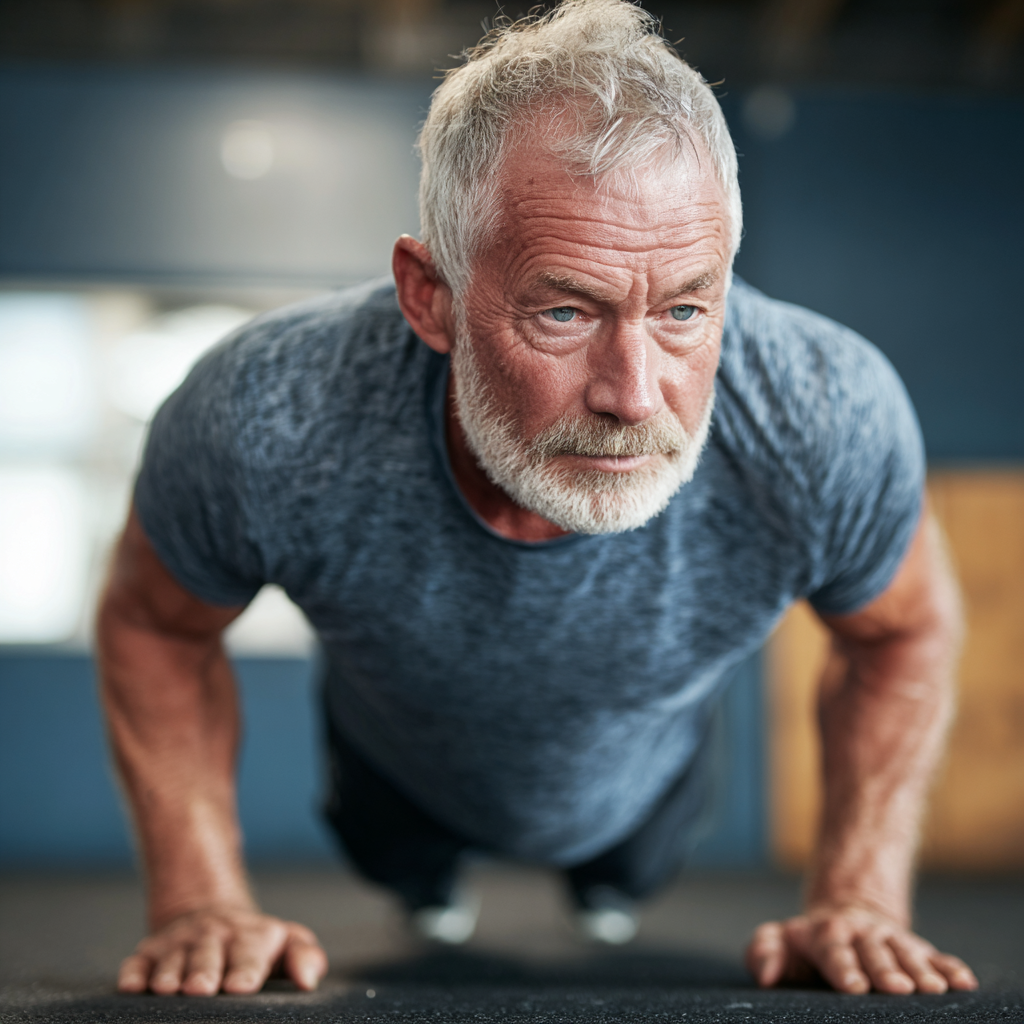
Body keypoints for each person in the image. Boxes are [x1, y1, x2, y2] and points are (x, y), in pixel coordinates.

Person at [97, 0, 978, 1000]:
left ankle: (604, 881)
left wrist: (860, 895)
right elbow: (155, 621)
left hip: (645, 791)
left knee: (624, 873)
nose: (634, 396)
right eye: (565, 310)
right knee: (407, 872)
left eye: (685, 308)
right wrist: (196, 897)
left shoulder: (823, 410)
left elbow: (901, 629)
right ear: (429, 296)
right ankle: (430, 882)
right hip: (394, 772)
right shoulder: (266, 414)